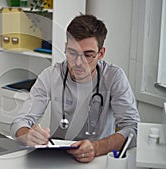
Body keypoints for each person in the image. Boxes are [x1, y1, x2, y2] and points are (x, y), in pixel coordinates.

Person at [10, 14, 140, 163]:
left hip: (99, 159)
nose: (78, 62)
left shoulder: (114, 77)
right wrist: (27, 135)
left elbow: (132, 129)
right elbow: (19, 122)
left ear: (101, 54)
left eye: (88, 55)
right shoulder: (51, 75)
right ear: (65, 47)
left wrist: (96, 147)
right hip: (57, 158)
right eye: (72, 53)